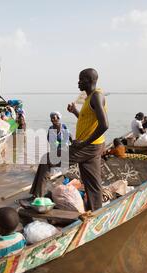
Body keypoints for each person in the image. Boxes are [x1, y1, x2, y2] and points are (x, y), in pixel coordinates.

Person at [30, 68, 109, 212]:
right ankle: (96, 211)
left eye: (81, 79)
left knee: (47, 159)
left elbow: (105, 125)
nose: (78, 82)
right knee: (92, 181)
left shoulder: (96, 96)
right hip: (93, 146)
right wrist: (75, 112)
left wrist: (84, 143)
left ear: (89, 80)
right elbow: (89, 122)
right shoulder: (89, 97)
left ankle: (37, 199)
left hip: (87, 146)